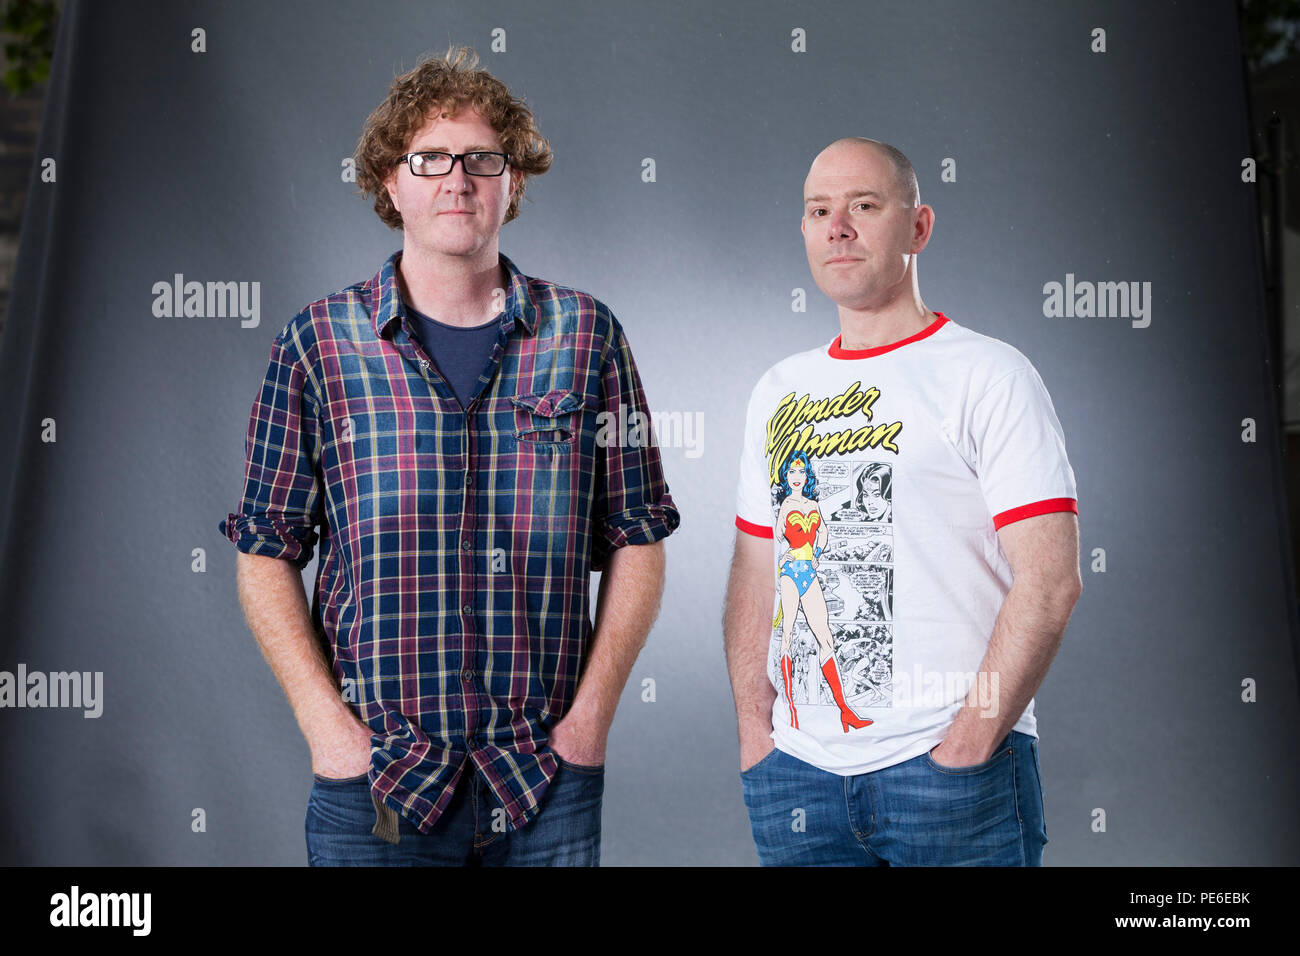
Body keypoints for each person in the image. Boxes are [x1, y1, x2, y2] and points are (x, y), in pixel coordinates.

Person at [218, 46, 679, 867]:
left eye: (481, 159)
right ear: (390, 184)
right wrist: (328, 729)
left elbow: (638, 535)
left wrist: (591, 723)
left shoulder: (587, 336)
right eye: (428, 159)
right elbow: (264, 551)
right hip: (379, 782)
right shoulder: (318, 344)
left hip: (543, 775)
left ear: (515, 182)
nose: (456, 180)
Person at [723, 137, 1081, 866]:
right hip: (799, 777)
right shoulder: (778, 391)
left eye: (864, 205)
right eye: (819, 209)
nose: (838, 227)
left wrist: (969, 744)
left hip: (948, 773)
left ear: (918, 227)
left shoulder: (989, 375)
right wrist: (756, 738)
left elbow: (1049, 582)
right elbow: (755, 573)